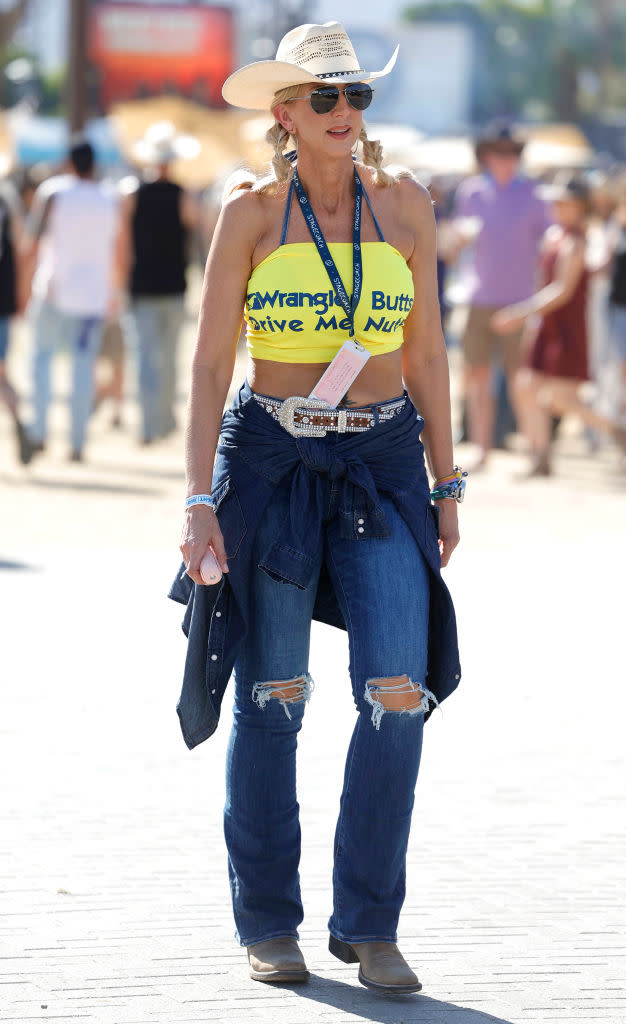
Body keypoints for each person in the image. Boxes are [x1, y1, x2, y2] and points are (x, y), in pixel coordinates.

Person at [171, 21, 463, 993]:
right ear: (283, 112)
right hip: (271, 459)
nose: (346, 114)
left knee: (396, 697)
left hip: (381, 462)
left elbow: (424, 356)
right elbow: (211, 364)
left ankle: (368, 926)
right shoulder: (250, 213)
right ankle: (268, 921)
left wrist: (445, 479)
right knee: (273, 698)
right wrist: (197, 499)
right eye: (324, 98)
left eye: (357, 98)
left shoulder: (406, 205)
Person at [492, 174, 626, 475]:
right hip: (548, 324)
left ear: (580, 206)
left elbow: (563, 290)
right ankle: (539, 457)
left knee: (558, 398)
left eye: (565, 201)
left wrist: (522, 313)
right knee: (527, 388)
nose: (558, 205)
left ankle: (616, 429)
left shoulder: (578, 241)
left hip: (567, 327)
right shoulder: (557, 236)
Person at [453, 123, 549, 468]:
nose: (505, 159)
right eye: (499, 152)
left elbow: (549, 244)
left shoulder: (535, 195)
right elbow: (459, 242)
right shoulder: (472, 193)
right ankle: (482, 449)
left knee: (521, 381)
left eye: (512, 153)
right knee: (477, 379)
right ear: (487, 156)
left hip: (521, 301)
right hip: (478, 298)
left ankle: (533, 451)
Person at [25, 138, 124, 461]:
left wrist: (23, 286)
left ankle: (39, 431)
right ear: (93, 164)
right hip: (92, 298)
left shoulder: (53, 192)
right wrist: (115, 292)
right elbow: (118, 249)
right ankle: (78, 442)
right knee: (83, 369)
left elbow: (34, 240)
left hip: (52, 290)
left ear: (69, 163)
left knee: (41, 362)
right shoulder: (109, 199)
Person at [123, 122, 200, 445]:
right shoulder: (183, 196)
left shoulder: (132, 194)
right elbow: (195, 236)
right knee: (169, 357)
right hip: (173, 285)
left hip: (141, 285)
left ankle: (148, 424)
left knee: (144, 357)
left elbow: (124, 242)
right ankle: (165, 419)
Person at [0, 158, 34, 464]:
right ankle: (18, 419)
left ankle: (20, 422)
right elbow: (23, 247)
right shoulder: (7, 198)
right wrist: (21, 295)